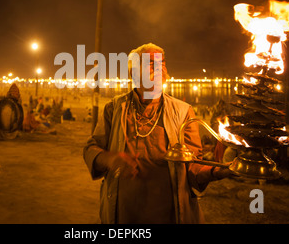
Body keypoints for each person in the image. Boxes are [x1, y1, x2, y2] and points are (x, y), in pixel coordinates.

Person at [83, 43, 231, 224]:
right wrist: (110, 159)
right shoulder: (114, 108)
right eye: (151, 63)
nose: (159, 67)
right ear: (133, 73)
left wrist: (219, 171)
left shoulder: (183, 111)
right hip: (124, 212)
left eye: (162, 62)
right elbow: (91, 148)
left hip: (168, 213)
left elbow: (192, 167)